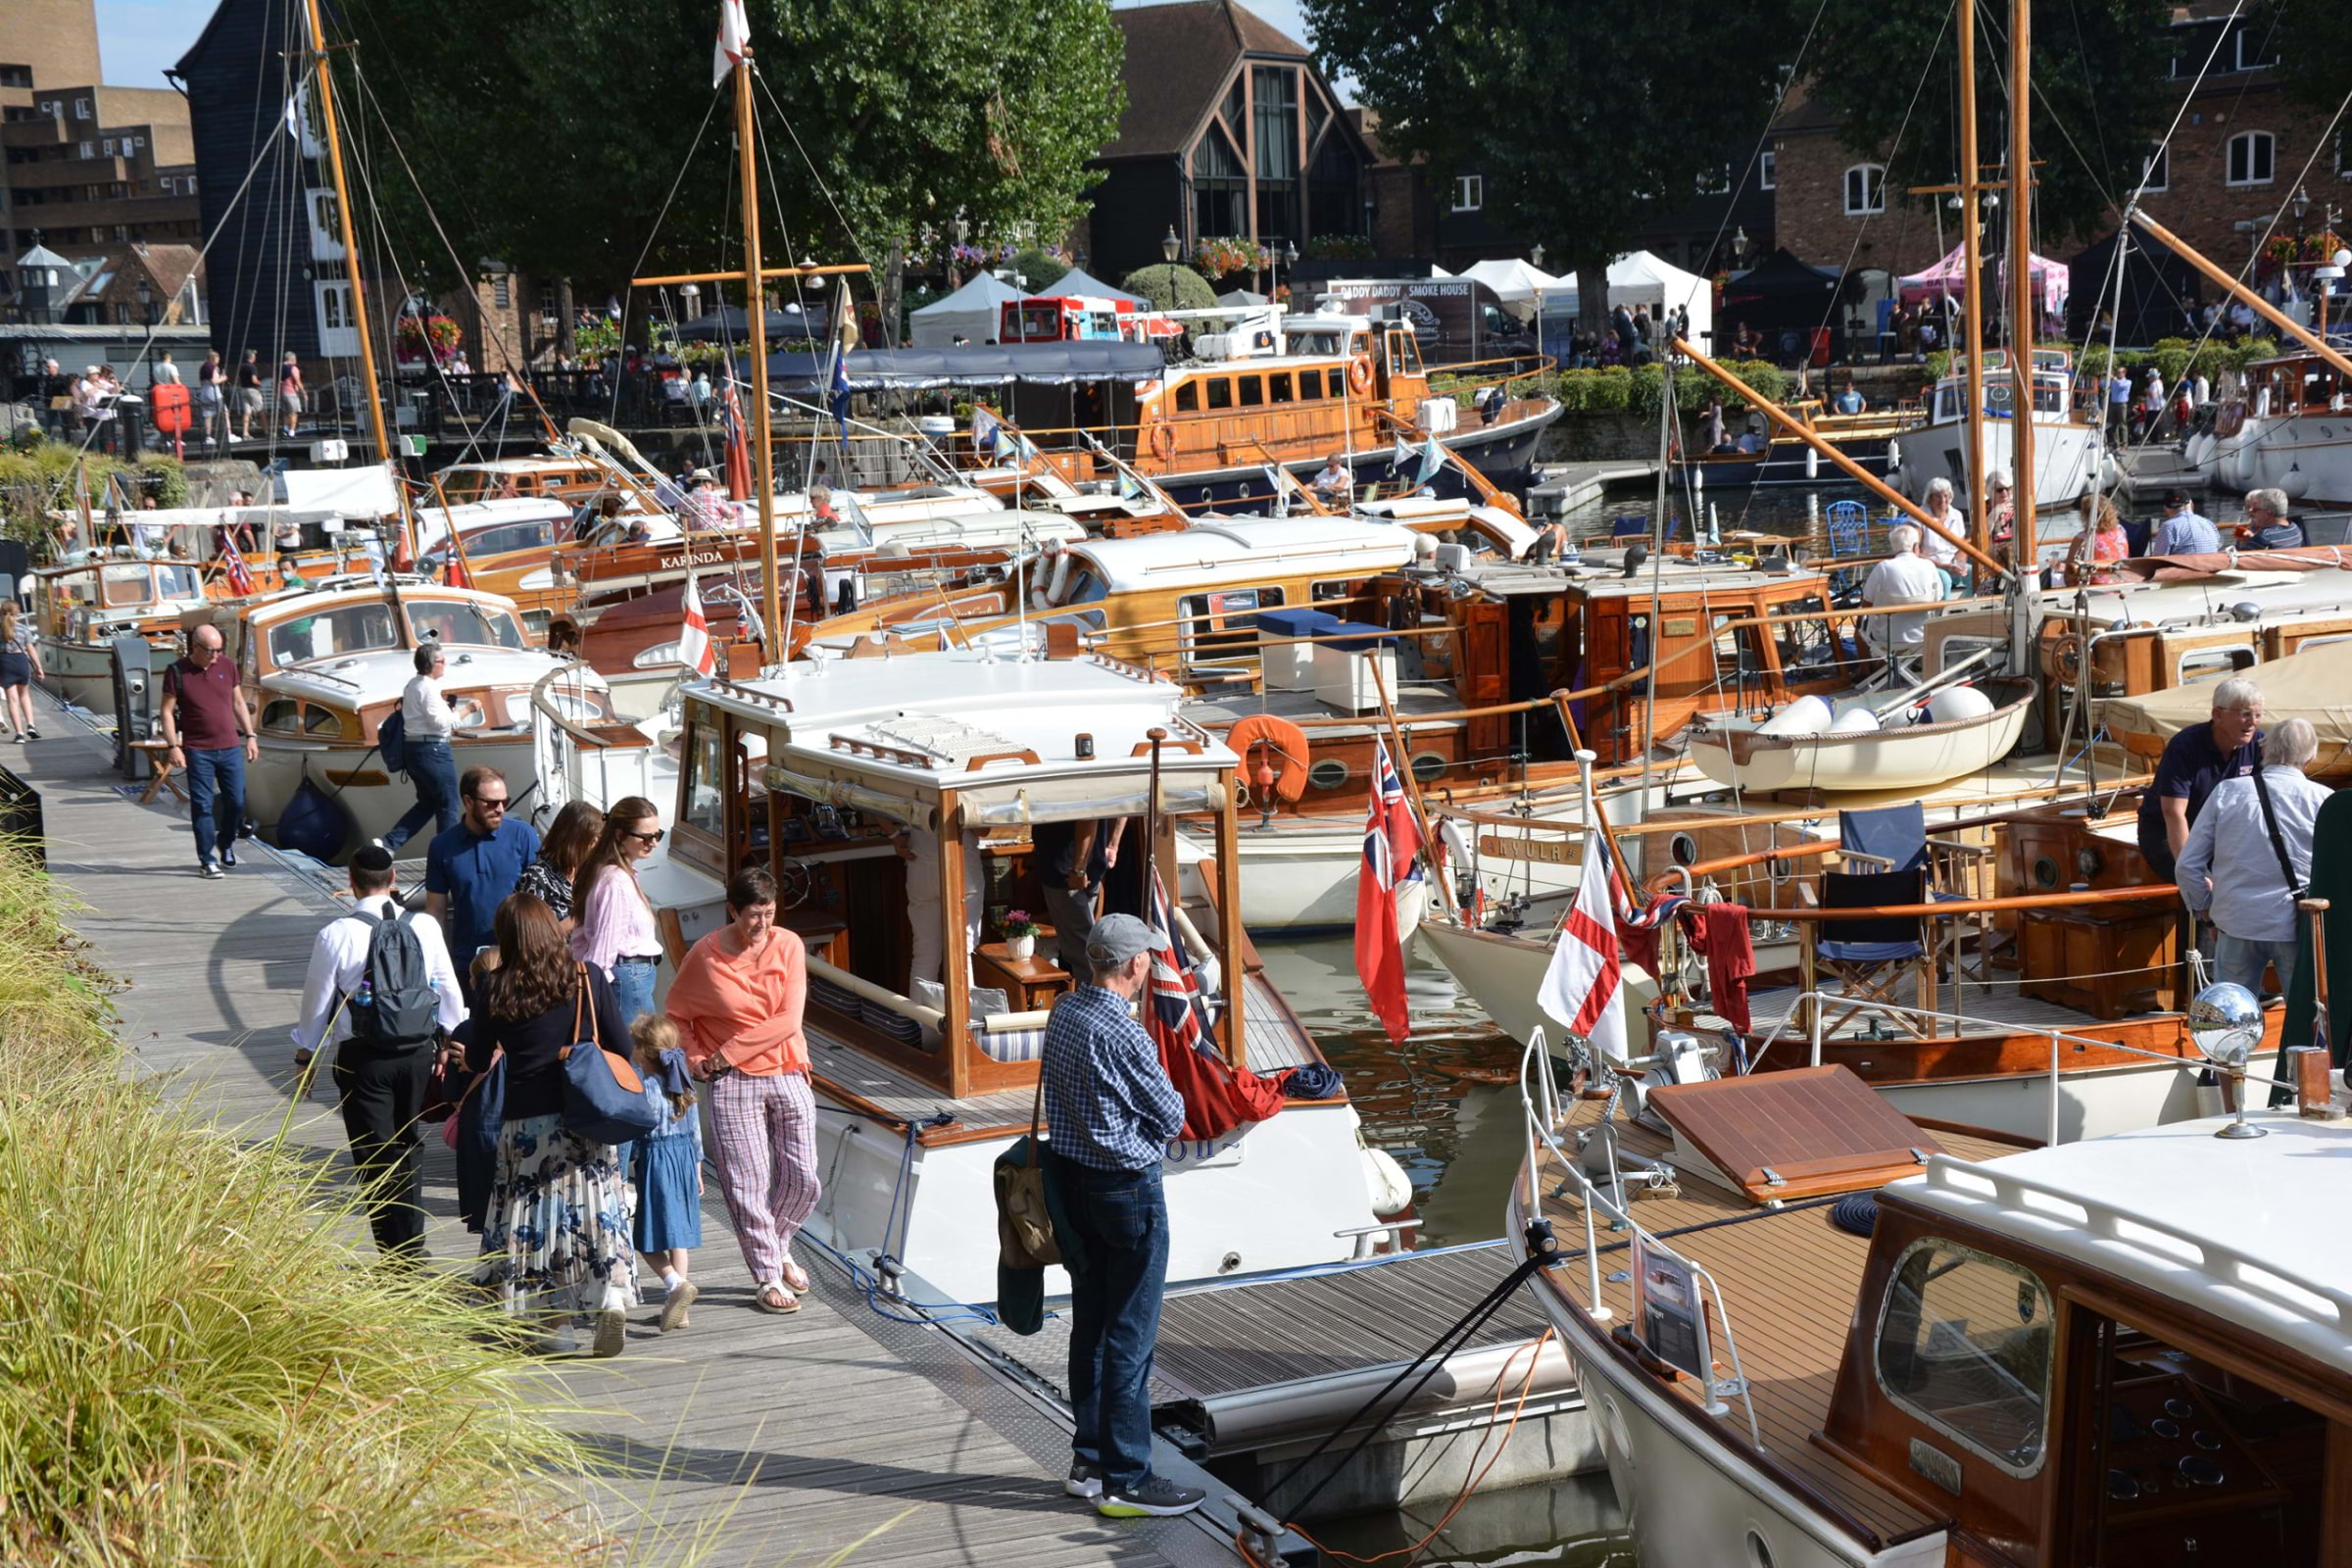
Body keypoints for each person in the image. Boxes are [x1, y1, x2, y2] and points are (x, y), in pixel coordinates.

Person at [1041, 912, 1203, 1519]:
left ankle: (1088, 1462)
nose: (1152, 967)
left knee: (1090, 1327)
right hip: (1128, 1192)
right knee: (1130, 1335)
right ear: (1135, 964)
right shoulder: (1125, 1033)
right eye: (1150, 959)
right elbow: (1172, 1114)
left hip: (1074, 1187)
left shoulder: (1063, 1013)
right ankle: (1128, 1478)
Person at [462, 893, 636, 1355]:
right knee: (596, 1209)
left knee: (535, 1220)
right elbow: (623, 1047)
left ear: (507, 937)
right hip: (585, 1114)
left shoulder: (495, 987)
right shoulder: (586, 976)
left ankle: (554, 1327)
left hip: (526, 1124)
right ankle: (611, 1298)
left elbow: (477, 1057)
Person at [291, 846, 466, 1258]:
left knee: (375, 1153)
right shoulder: (424, 925)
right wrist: (450, 1040)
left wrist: (306, 1056)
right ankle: (413, 1245)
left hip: (364, 1058)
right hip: (419, 1053)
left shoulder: (336, 934)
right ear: (393, 880)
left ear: (351, 882)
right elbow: (448, 987)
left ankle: (396, 1254)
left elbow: (317, 1004)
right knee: (409, 1145)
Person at [666, 866, 818, 1316]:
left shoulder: (788, 945)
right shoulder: (704, 956)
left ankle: (778, 1244)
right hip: (732, 1083)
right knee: (747, 1182)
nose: (762, 924)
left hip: (786, 1068)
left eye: (769, 913)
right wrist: (696, 1058)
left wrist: (725, 1053)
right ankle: (768, 1274)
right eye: (753, 915)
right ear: (732, 911)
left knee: (804, 1178)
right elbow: (676, 1015)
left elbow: (789, 1020)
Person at [2178, 715, 2328, 999]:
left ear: (2264, 750)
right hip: (2297, 926)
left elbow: (2187, 866)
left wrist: (2206, 913)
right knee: (2309, 1015)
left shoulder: (2227, 792)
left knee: (2232, 1016)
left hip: (2236, 921)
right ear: (2310, 757)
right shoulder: (2324, 801)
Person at [425, 765, 540, 999]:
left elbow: (539, 902)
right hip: (469, 965)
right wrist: (437, 963)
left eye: (504, 802)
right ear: (468, 801)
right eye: (491, 803)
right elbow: (435, 912)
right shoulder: (441, 846)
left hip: (520, 960)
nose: (500, 809)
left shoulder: (523, 835)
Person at [2135, 676, 2264, 882]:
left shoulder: (2258, 744)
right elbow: (2173, 813)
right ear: (2217, 715)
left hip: (2219, 832)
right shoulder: (2185, 746)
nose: (2253, 722)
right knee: (2199, 885)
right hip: (2166, 831)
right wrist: (2192, 873)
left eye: (2258, 715)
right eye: (2245, 714)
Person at [159, 622, 257, 877]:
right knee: (202, 805)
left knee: (236, 801)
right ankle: (207, 860)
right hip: (198, 750)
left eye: (219, 650)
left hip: (230, 746)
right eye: (210, 651)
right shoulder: (177, 671)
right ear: (195, 647)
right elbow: (166, 712)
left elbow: (238, 702)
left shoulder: (227, 666)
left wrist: (250, 735)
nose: (215, 655)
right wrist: (173, 746)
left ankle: (226, 843)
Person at [628, 1013, 704, 1332]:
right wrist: (698, 1169)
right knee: (677, 1239)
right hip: (684, 1160)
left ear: (642, 1052)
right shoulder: (683, 1082)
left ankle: (675, 1284)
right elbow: (695, 1130)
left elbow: (636, 1130)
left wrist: (627, 1162)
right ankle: (679, 1308)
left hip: (656, 1161)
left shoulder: (643, 1088)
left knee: (645, 1240)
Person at [570, 795, 664, 1028]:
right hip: (628, 979)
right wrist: (593, 995)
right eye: (646, 837)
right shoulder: (617, 882)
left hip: (630, 978)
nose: (653, 843)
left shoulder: (609, 873)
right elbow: (603, 947)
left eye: (657, 835)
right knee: (637, 1049)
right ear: (620, 835)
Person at [381, 643, 461, 853]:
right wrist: (466, 711)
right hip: (433, 750)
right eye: (442, 660)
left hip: (414, 750)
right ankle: (447, 855)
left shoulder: (412, 685)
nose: (445, 664)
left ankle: (388, 844)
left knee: (427, 804)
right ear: (431, 664)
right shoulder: (428, 687)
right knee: (449, 804)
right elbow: (440, 724)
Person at [1036, 815, 1123, 980]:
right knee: (1086, 949)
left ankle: (1098, 994)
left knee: (1082, 955)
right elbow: (1123, 803)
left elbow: (1087, 814)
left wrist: (1079, 870)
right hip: (1082, 870)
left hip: (1069, 875)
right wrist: (1113, 844)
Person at [1860, 523, 1947, 657]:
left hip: (1887, 638)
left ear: (1894, 547)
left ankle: (1865, 667)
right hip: (1923, 635)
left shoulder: (1884, 567)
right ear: (1915, 546)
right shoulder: (1929, 566)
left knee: (1859, 632)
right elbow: (1938, 600)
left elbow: (1866, 604)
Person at [518, 800, 604, 922]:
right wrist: (577, 920)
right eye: (594, 839)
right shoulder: (536, 878)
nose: (598, 845)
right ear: (575, 839)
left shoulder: (590, 873)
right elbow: (531, 930)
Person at [0, 604, 45, 743]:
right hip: (21, 661)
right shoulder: (24, 629)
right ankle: (31, 725)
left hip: (4, 662)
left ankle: (19, 734)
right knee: (24, 695)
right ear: (17, 612)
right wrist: (38, 668)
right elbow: (30, 650)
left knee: (12, 700)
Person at [2067, 494, 2131, 583]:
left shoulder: (2082, 538)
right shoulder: (2121, 532)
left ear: (2085, 515)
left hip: (2095, 587)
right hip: (2121, 584)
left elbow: (2068, 576)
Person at [1916, 476, 1964, 583]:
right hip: (1930, 566)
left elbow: (1962, 548)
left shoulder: (1957, 515)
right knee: (1945, 579)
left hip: (1953, 565)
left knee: (1973, 574)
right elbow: (1914, 551)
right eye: (1938, 496)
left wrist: (1960, 564)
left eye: (1945, 495)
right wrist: (1941, 566)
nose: (1943, 500)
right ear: (1930, 498)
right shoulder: (1919, 515)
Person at [2151, 489, 2219, 556]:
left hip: (2184, 563)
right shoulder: (2209, 523)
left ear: (2165, 509)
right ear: (2192, 505)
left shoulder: (2168, 527)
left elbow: (2158, 558)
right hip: (2212, 563)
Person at [234, 349, 263, 440]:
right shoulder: (252, 367)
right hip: (252, 390)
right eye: (254, 356)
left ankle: (245, 433)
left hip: (243, 389)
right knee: (261, 410)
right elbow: (254, 380)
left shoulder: (241, 367)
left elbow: (238, 380)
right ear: (252, 357)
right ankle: (266, 431)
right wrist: (260, 383)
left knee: (247, 412)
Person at [278, 353, 305, 439]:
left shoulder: (279, 367)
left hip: (282, 393)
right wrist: (303, 392)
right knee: (293, 413)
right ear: (292, 359)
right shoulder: (293, 368)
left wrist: (277, 393)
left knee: (286, 413)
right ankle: (292, 432)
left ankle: (285, 429)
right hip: (291, 393)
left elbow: (276, 381)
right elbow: (297, 381)